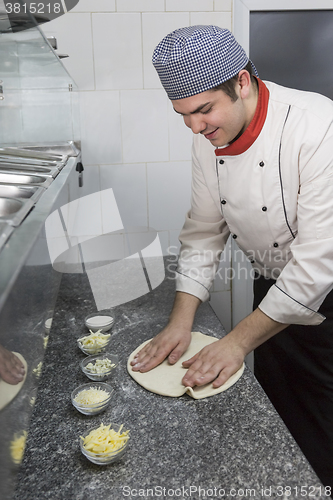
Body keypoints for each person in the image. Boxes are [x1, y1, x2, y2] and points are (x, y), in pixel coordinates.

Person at [131, 25, 333, 488]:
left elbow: (317, 266)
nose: (196, 128)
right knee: (279, 404)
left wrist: (237, 342)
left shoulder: (317, 126)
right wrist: (181, 320)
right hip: (274, 290)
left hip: (327, 290)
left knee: (323, 417)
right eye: (183, 115)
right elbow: (203, 233)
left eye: (203, 110)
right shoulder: (211, 141)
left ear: (242, 82)